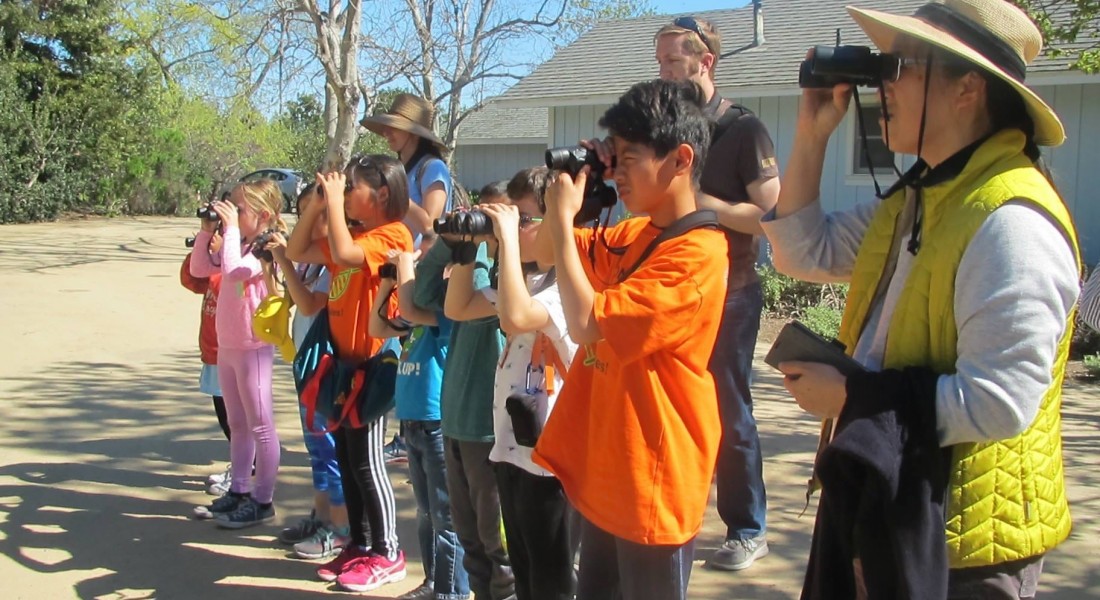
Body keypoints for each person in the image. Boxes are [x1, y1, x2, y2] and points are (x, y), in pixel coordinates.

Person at [759, 1, 1080, 596]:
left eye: (901, 64)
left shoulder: (1011, 221)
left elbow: (1001, 401)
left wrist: (852, 397)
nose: (883, 81)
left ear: (967, 89)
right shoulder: (920, 197)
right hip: (894, 507)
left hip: (960, 547)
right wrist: (811, 133)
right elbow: (800, 252)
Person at [532, 79, 728, 600]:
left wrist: (562, 214)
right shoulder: (636, 234)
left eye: (629, 159)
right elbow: (548, 249)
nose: (617, 173)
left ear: (681, 159)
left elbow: (585, 323)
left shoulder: (697, 256)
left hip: (653, 482)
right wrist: (584, 186)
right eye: (612, 159)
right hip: (610, 471)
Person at [651, 15, 780, 571]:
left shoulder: (742, 129)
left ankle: (747, 529)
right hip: (671, 287)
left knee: (729, 410)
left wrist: (707, 205)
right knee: (673, 406)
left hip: (731, 291)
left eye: (671, 62)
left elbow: (771, 216)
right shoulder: (666, 126)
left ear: (705, 62)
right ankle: (675, 514)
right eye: (657, 62)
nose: (662, 72)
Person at [446, 167, 578, 600]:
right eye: (512, 219)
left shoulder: (569, 287)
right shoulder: (525, 282)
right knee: (523, 568)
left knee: (551, 575)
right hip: (512, 446)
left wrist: (503, 239)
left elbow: (515, 317)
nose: (514, 229)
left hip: (553, 457)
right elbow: (459, 306)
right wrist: (467, 252)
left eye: (523, 219)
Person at [286, 155, 414, 593]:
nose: (344, 195)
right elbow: (297, 250)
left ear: (380, 194)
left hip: (373, 368)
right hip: (341, 369)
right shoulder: (354, 232)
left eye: (352, 187)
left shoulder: (390, 235)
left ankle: (388, 551)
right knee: (345, 458)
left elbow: (342, 253)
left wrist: (335, 205)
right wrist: (317, 206)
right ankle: (359, 543)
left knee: (367, 463)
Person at [417, 200, 514, 600]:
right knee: (471, 542)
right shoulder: (468, 265)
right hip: (456, 421)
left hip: (489, 431)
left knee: (498, 548)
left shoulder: (509, 280)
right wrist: (452, 242)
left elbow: (466, 306)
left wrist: (486, 249)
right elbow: (421, 293)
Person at [368, 249, 471, 600]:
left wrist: (408, 268)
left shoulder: (445, 313)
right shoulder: (417, 319)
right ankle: (433, 582)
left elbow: (413, 307)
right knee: (426, 513)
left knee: (446, 515)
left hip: (435, 424)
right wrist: (387, 283)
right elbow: (377, 327)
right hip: (412, 424)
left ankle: (452, 591)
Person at [189, 180, 287, 529]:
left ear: (262, 215)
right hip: (228, 346)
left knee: (261, 426)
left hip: (253, 347)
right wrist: (206, 232)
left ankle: (263, 500)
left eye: (239, 209)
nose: (232, 214)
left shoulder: (264, 248)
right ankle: (239, 490)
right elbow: (200, 269)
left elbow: (233, 270)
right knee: (238, 425)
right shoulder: (238, 242)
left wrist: (229, 231)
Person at [264, 184, 350, 560]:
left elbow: (310, 302)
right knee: (317, 448)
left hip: (328, 367)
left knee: (330, 449)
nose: (309, 220)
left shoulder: (336, 260)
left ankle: (341, 527)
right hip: (307, 362)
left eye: (318, 212)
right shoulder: (310, 259)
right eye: (304, 212)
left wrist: (284, 261)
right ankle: (320, 516)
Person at [362, 93, 454, 252]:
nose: (386, 133)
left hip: (419, 267)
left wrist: (396, 190)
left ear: (415, 134)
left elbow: (430, 225)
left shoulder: (434, 167)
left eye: (394, 127)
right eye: (386, 127)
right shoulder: (400, 169)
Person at [179, 229, 231, 494]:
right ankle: (243, 466)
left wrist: (222, 252)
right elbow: (192, 280)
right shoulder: (219, 256)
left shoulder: (242, 256)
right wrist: (203, 243)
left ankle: (247, 470)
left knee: (238, 420)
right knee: (225, 416)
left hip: (233, 352)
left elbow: (228, 286)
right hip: (213, 349)